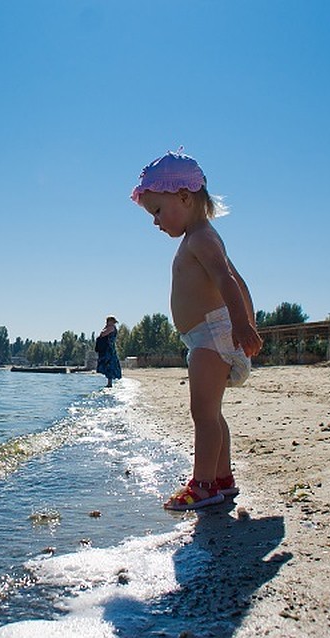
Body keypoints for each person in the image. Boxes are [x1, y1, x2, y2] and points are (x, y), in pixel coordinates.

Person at [131, 150, 263, 510]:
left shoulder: (201, 238)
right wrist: (246, 322)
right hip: (208, 335)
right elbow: (240, 281)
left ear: (185, 198)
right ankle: (222, 479)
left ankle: (202, 484)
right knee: (212, 412)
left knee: (203, 414)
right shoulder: (200, 237)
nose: (155, 222)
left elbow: (227, 281)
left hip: (212, 335)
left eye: (158, 210)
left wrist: (242, 325)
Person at [95, 316, 122, 388]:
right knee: (108, 365)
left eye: (107, 321)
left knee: (109, 364)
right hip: (108, 348)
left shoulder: (111, 328)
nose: (106, 322)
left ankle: (110, 383)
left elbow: (102, 334)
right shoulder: (111, 327)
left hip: (109, 349)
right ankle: (109, 383)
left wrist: (105, 328)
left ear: (111, 321)